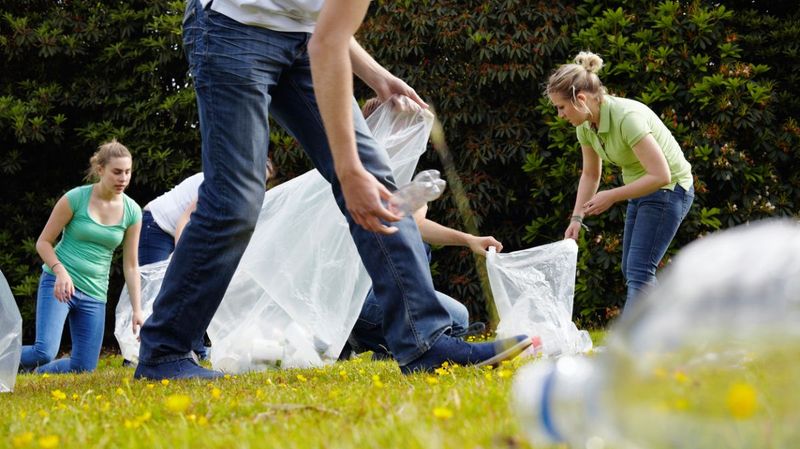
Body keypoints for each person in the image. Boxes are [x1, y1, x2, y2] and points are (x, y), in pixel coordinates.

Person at [134, 0, 531, 380]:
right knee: (235, 201)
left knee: (377, 182)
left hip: (304, 38)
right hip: (231, 27)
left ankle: (424, 343)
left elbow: (326, 24)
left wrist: (376, 75)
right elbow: (328, 44)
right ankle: (165, 351)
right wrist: (348, 170)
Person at [547, 51, 694, 316]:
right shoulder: (586, 125)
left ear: (580, 99)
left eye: (561, 107)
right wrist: (576, 218)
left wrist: (612, 195)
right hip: (642, 188)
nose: (560, 115)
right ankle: (668, 329)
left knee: (639, 269)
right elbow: (590, 174)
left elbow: (662, 175)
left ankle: (631, 346)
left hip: (670, 189)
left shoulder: (627, 117)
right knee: (632, 268)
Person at [20, 140, 143, 373]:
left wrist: (137, 310)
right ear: (100, 170)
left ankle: (37, 373)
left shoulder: (132, 211)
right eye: (117, 172)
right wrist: (60, 271)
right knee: (44, 351)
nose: (123, 178)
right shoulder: (75, 198)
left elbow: (131, 265)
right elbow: (43, 242)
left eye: (127, 172)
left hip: (95, 292)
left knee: (84, 368)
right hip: (59, 284)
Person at [344, 204, 500, 359]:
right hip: (357, 296)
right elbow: (413, 224)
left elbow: (414, 225)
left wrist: (469, 240)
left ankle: (387, 347)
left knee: (458, 316)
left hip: (368, 291)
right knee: (456, 321)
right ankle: (355, 337)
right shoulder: (368, 184)